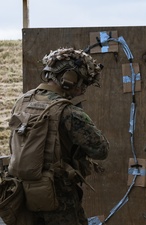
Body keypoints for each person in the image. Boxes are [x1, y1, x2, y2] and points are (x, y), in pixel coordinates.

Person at [7, 47, 109, 225]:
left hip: (21, 192)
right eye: (83, 82)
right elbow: (101, 150)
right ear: (69, 78)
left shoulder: (22, 101)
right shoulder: (68, 111)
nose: (83, 89)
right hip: (57, 194)